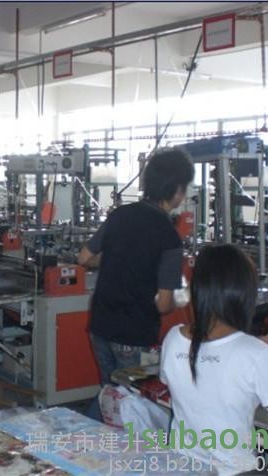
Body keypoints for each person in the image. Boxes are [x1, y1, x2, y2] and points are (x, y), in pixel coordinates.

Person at [160, 244, 268, 474]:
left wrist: (250, 345)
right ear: (243, 294)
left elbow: (210, 362)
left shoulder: (173, 338)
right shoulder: (256, 356)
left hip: (184, 467)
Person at [77, 147, 194, 418]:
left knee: (110, 396)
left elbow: (84, 257)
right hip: (133, 332)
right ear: (177, 189)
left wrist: (118, 260)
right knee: (132, 405)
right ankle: (88, 432)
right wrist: (179, 298)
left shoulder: (121, 214)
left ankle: (94, 436)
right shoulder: (169, 237)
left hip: (100, 326)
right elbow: (163, 304)